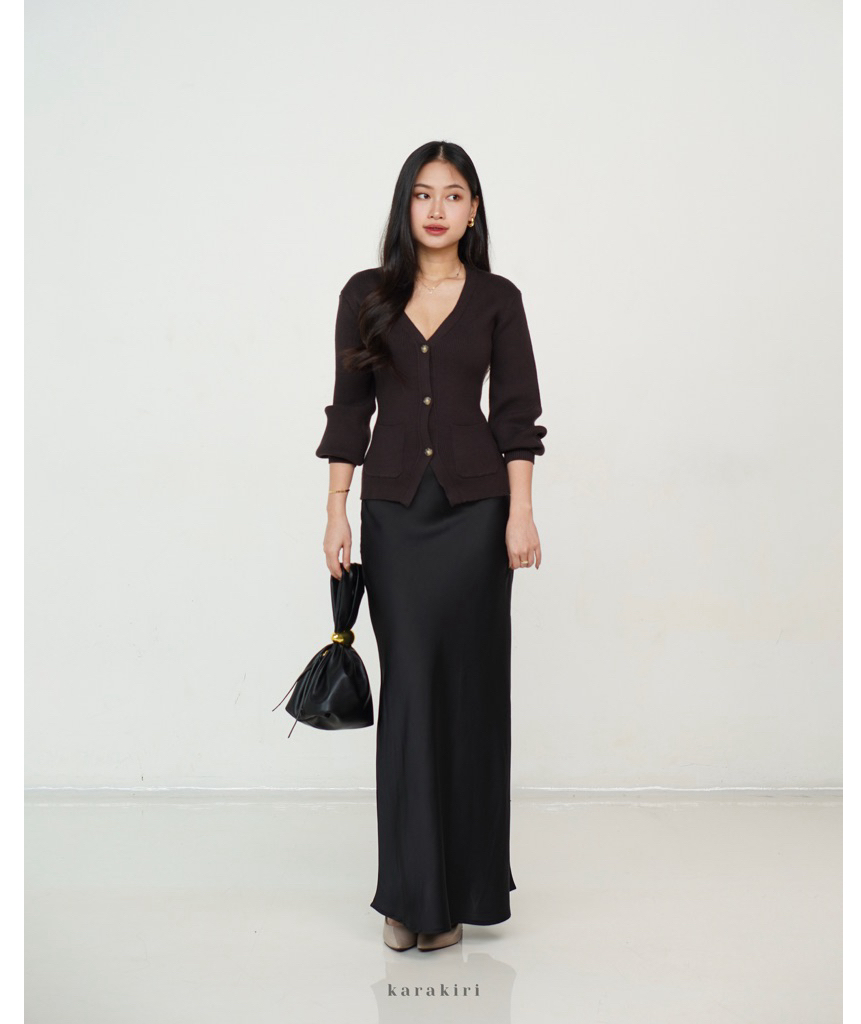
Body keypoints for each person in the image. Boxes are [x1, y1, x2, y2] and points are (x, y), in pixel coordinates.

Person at [316, 141, 547, 952]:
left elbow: (517, 415)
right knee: (411, 691)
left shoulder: (497, 299)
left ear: (474, 210)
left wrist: (521, 515)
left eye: (453, 194)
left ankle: (457, 895)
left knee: (470, 696)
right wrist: (336, 512)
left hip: (478, 517)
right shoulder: (365, 294)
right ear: (404, 206)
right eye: (423, 194)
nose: (437, 208)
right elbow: (349, 411)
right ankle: (409, 896)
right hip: (395, 518)